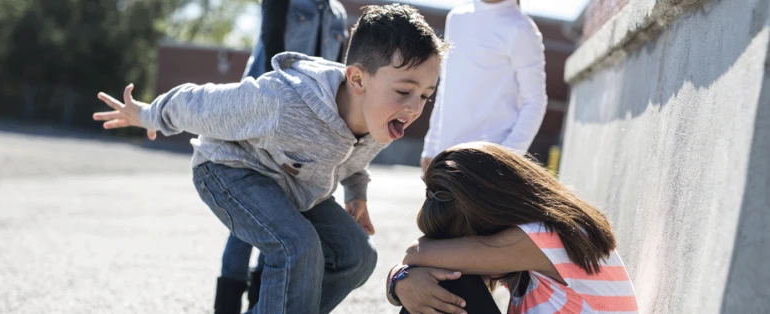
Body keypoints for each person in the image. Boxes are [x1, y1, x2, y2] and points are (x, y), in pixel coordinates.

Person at [92, 4, 447, 314]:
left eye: (425, 96)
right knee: (297, 246)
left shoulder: (381, 117)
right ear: (357, 79)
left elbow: (354, 158)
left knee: (357, 255)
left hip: (294, 184)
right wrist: (147, 115)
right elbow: (200, 103)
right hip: (229, 170)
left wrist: (357, 192)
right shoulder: (283, 101)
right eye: (404, 90)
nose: (414, 107)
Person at [386, 142, 638, 314]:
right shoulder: (535, 242)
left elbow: (415, 254)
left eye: (464, 241)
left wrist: (402, 276)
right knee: (434, 280)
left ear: (491, 214)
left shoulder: (545, 236)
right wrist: (400, 281)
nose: (461, 251)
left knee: (450, 282)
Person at [217, 1, 349, 312]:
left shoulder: (338, 14)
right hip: (264, 114)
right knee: (248, 216)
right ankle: (225, 307)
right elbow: (270, 45)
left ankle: (260, 303)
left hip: (308, 126)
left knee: (281, 214)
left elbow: (337, 74)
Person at [420, 0, 547, 173]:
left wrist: (506, 159)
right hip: (445, 156)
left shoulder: (521, 28)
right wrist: (431, 146)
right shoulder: (456, 18)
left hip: (487, 164)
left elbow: (534, 101)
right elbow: (446, 88)